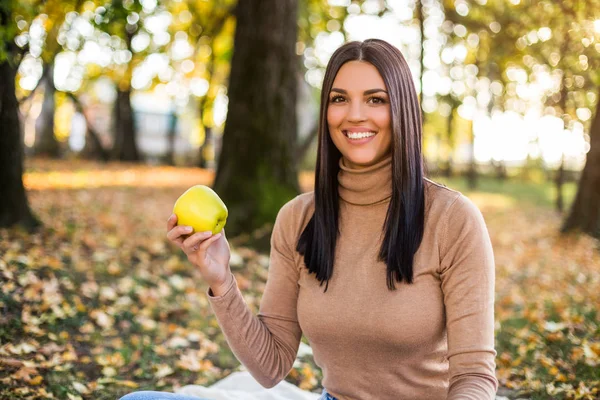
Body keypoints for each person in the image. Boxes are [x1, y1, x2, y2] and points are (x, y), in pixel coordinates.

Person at [121, 38, 498, 400]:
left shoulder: (452, 219)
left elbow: (473, 376)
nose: (354, 114)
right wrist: (221, 279)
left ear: (401, 109)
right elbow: (271, 366)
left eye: (375, 99)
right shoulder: (298, 218)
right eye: (339, 99)